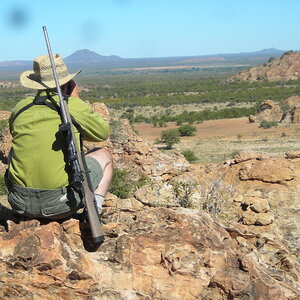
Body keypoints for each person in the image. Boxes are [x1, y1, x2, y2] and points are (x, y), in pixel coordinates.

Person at [5, 54, 113, 220]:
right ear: (67, 83)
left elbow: (14, 134)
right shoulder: (72, 105)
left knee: (15, 149)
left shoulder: (20, 108)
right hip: (60, 205)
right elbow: (102, 133)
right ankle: (94, 209)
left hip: (19, 203)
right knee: (105, 155)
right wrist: (75, 100)